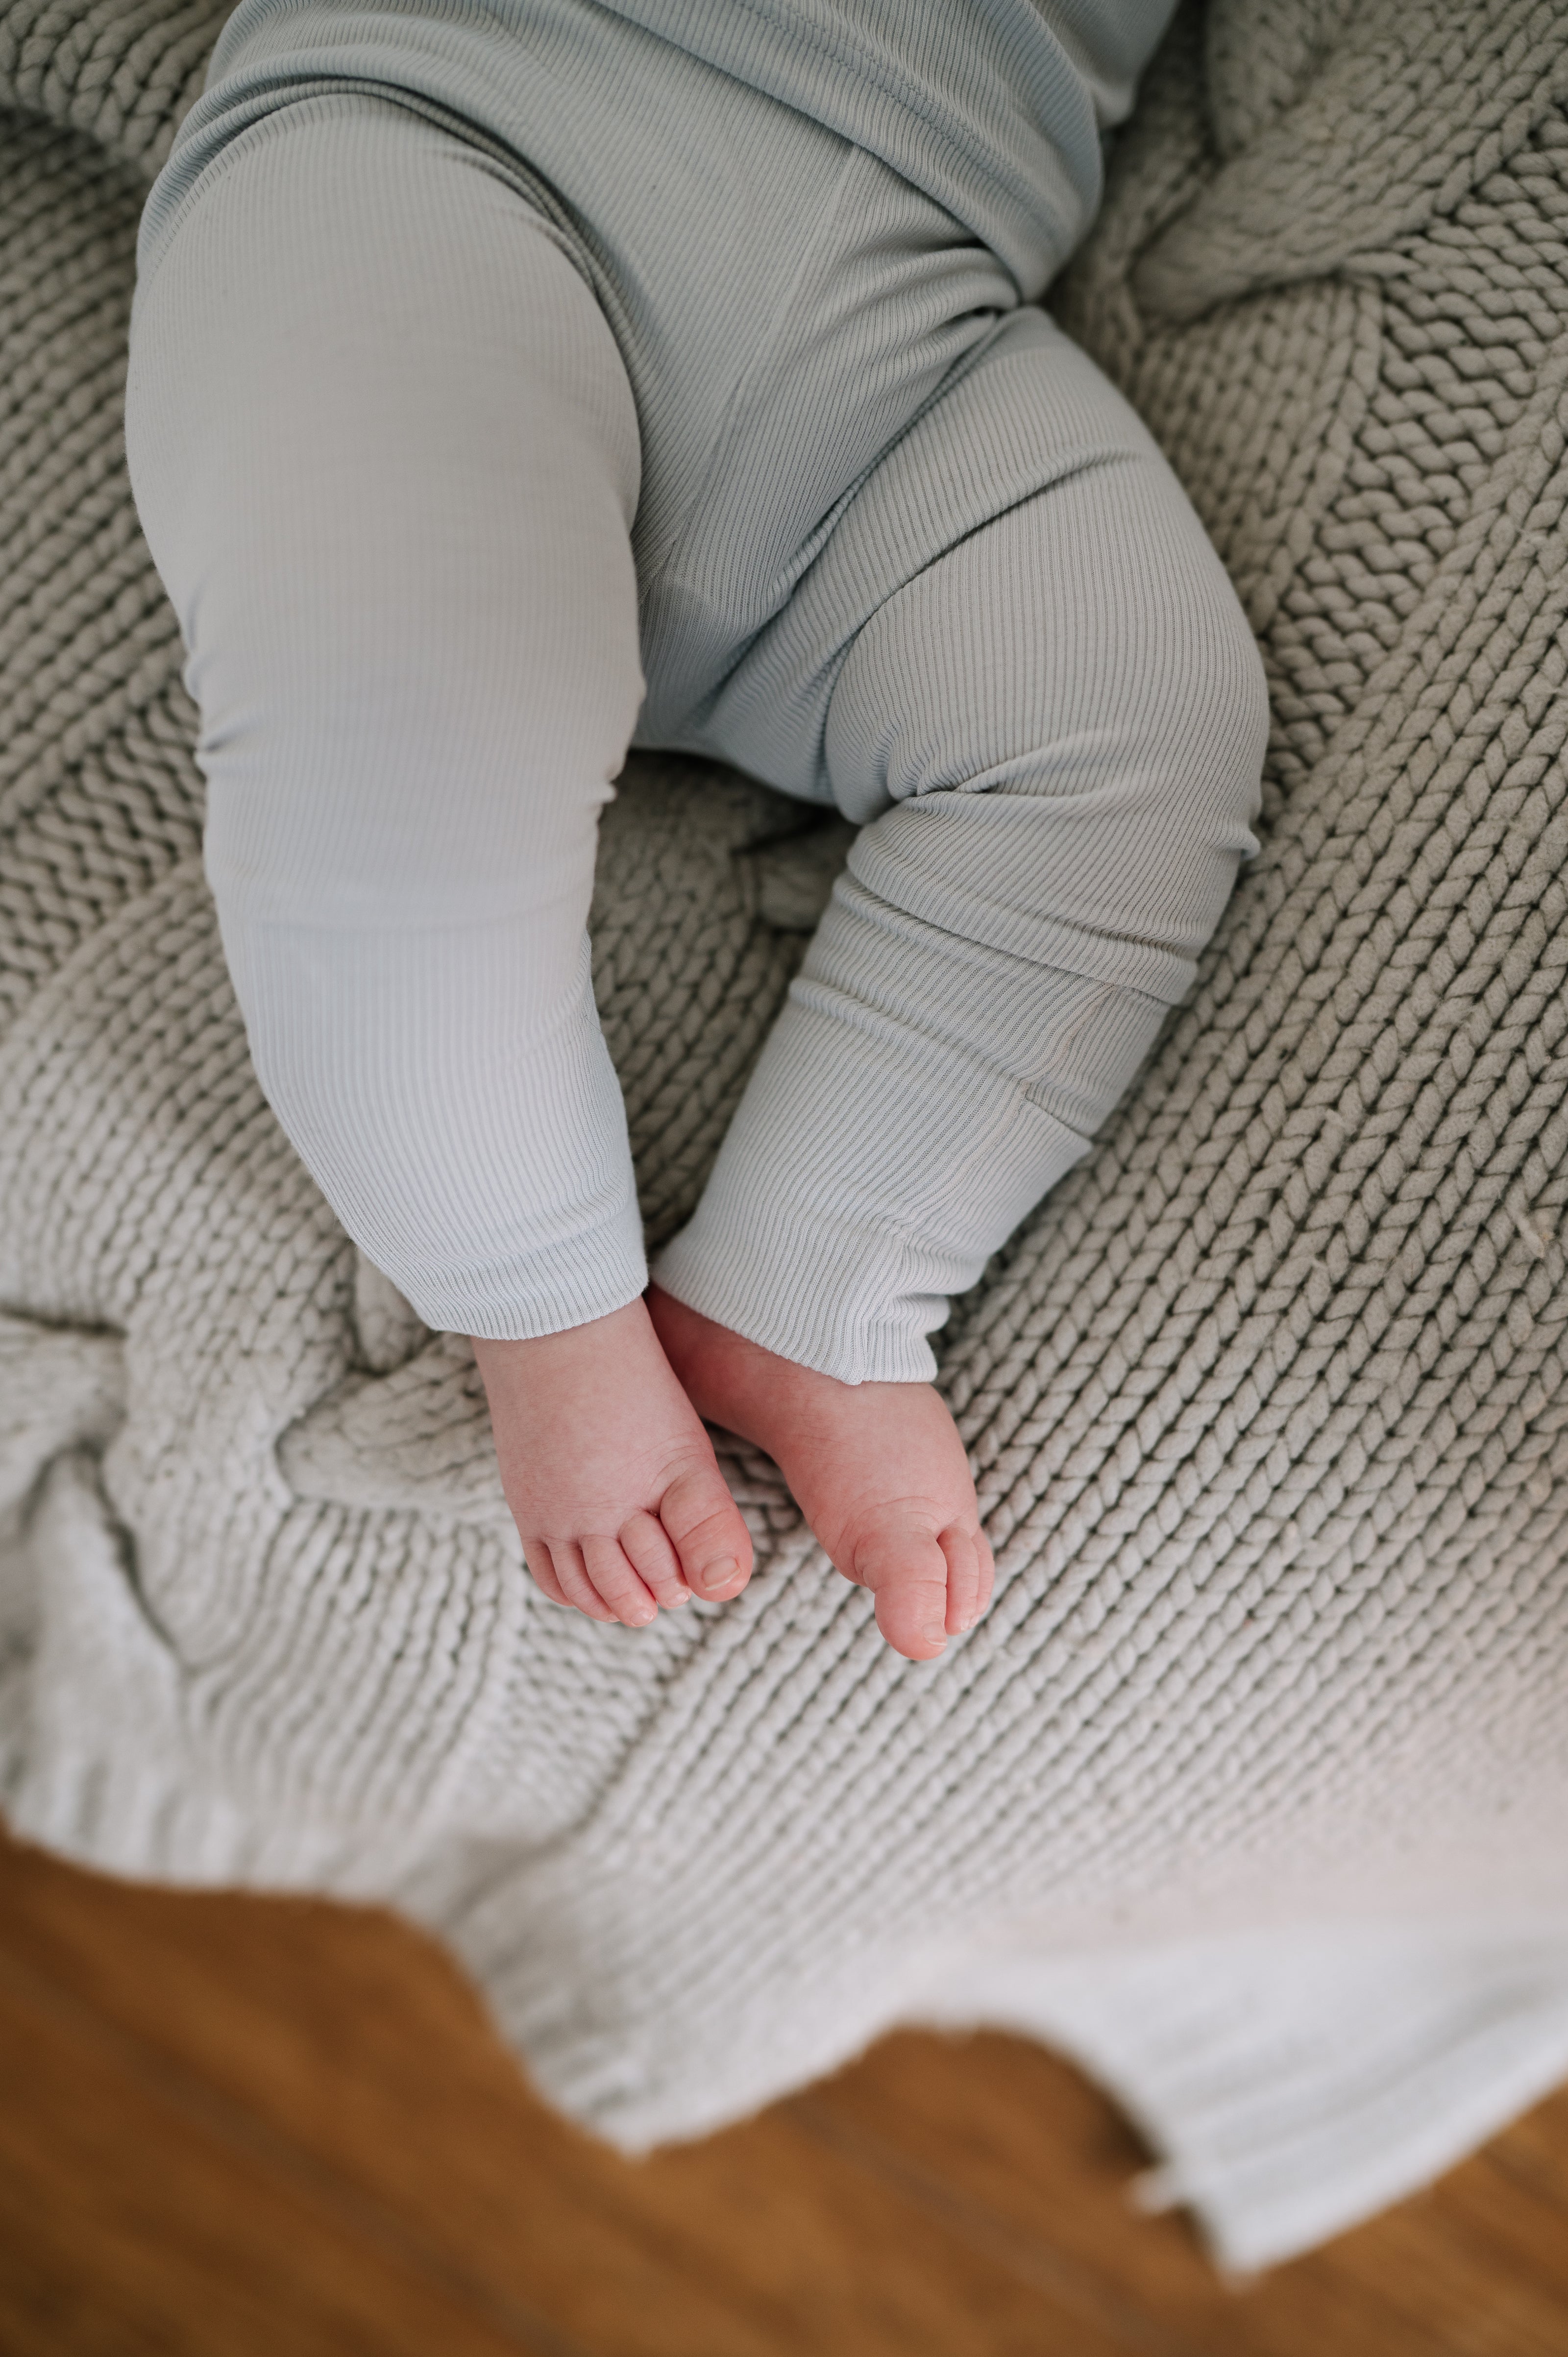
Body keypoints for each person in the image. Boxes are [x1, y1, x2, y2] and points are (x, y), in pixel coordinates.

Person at [123, 0, 1269, 1664]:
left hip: (915, 322)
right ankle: (536, 1293)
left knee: (1135, 709)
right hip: (447, 138)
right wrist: (539, 1296)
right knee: (400, 706)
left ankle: (817, 1282)